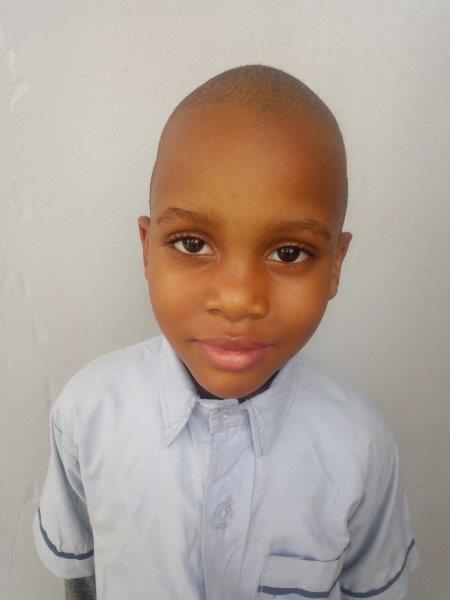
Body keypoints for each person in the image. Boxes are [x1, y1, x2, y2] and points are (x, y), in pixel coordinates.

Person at [33, 64, 421, 600]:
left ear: (336, 265)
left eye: (290, 253)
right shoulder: (87, 412)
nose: (238, 300)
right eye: (192, 244)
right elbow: (81, 577)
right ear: (147, 249)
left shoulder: (361, 446)